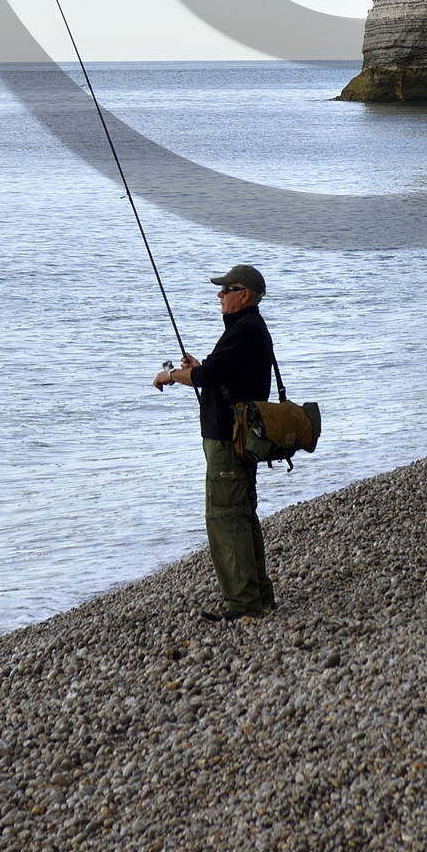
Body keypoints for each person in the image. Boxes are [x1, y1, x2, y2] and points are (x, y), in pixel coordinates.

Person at [154, 263, 276, 621]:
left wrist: (173, 375)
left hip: (228, 439)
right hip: (240, 437)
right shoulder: (248, 329)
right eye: (221, 289)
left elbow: (209, 374)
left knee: (225, 517)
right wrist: (197, 368)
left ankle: (242, 604)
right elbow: (219, 372)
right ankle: (258, 596)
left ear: (246, 295)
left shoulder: (243, 330)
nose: (220, 295)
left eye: (227, 289)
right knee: (242, 514)